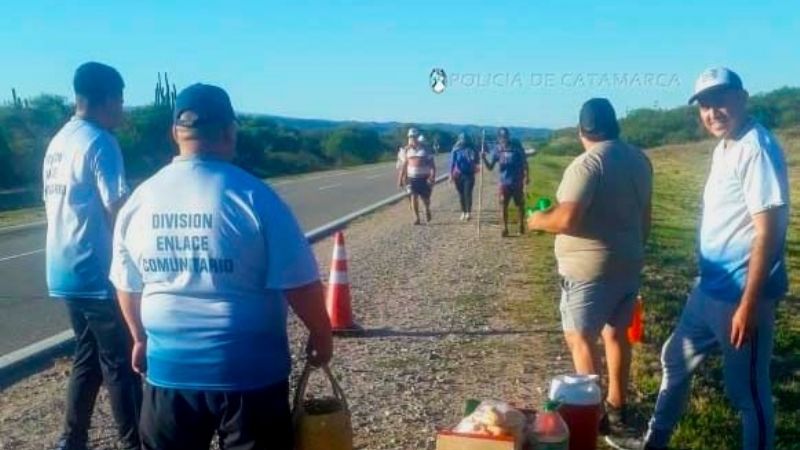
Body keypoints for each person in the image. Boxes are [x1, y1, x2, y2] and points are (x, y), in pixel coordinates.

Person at [109, 84, 333, 450]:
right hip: (249, 372)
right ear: (230, 131)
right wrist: (321, 331)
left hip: (169, 371)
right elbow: (299, 281)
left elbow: (127, 284)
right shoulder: (254, 195)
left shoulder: (139, 200)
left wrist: (139, 338)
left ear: (175, 134)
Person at [642, 68, 789, 450]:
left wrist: (750, 304)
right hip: (709, 290)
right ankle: (655, 441)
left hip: (741, 296)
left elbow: (769, 232)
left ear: (742, 97)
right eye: (705, 105)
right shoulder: (727, 146)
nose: (713, 112)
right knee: (675, 358)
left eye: (720, 100)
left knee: (747, 394)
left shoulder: (756, 148)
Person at [527, 98, 652, 449]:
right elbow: (646, 218)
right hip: (628, 263)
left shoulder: (587, 164)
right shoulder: (640, 160)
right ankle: (617, 407)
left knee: (581, 338)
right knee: (617, 337)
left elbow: (566, 219)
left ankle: (592, 415)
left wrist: (538, 221)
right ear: (616, 126)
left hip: (587, 272)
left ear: (582, 130)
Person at [42, 62, 141, 450]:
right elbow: (119, 205)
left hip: (62, 268)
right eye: (121, 100)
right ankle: (135, 442)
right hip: (97, 269)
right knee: (120, 365)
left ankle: (72, 438)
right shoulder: (100, 141)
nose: (122, 109)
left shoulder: (59, 141)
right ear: (107, 99)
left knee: (87, 356)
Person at [482, 128, 529, 236]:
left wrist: (527, 176)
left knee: (520, 205)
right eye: (502, 137)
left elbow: (525, 163)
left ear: (508, 136)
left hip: (517, 181)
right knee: (503, 204)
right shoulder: (497, 150)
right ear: (499, 138)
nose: (504, 139)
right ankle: (504, 228)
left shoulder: (517, 149)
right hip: (504, 183)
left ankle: (521, 225)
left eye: (506, 136)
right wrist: (484, 159)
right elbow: (490, 167)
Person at [398, 127, 436, 224]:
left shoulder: (426, 149)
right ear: (408, 138)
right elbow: (404, 165)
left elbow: (432, 165)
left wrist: (432, 176)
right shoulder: (406, 150)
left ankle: (427, 209)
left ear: (417, 137)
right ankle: (416, 218)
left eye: (414, 137)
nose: (412, 139)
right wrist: (401, 178)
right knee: (413, 197)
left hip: (424, 178)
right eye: (410, 137)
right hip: (412, 178)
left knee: (425, 199)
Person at [450, 132, 479, 220]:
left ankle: (468, 212)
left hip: (469, 175)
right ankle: (463, 211)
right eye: (462, 139)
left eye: (465, 139)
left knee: (467, 193)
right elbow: (452, 163)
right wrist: (450, 175)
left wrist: (474, 160)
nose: (463, 141)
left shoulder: (472, 149)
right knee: (461, 194)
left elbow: (477, 161)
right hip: (458, 175)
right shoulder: (455, 149)